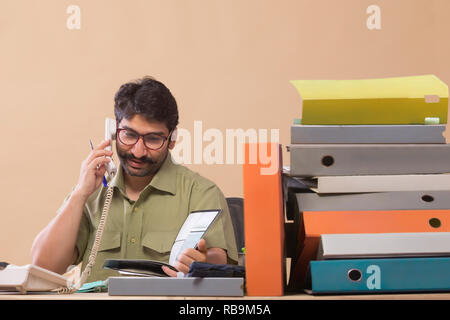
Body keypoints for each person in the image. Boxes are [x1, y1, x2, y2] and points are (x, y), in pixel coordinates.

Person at [31, 76, 238, 282]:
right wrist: (79, 194)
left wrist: (201, 264)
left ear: (172, 139)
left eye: (153, 139)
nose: (138, 152)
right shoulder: (91, 192)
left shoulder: (201, 193)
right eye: (129, 135)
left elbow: (217, 260)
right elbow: (43, 266)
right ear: (113, 131)